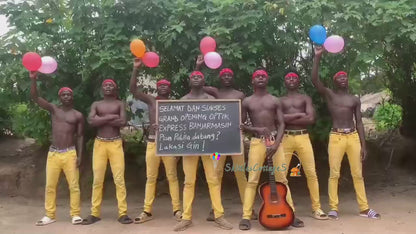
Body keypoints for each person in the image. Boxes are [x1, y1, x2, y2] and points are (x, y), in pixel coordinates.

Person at [311, 46, 381, 220]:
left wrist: (364, 145)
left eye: (345, 77)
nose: (343, 78)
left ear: (348, 81)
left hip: (353, 137)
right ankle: (333, 208)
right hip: (336, 137)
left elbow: (359, 122)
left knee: (358, 174)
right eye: (339, 77)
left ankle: (364, 208)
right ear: (335, 82)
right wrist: (317, 57)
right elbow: (315, 80)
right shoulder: (330, 95)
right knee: (334, 173)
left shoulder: (354, 99)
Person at [239, 69, 304, 230]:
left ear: (267, 80)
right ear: (252, 81)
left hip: (275, 141)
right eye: (257, 76)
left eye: (263, 76)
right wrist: (257, 129)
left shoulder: (274, 100)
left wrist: (276, 144)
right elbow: (242, 125)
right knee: (253, 178)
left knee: (282, 179)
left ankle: (291, 213)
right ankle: (246, 216)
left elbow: (282, 123)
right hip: (257, 143)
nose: (260, 78)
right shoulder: (247, 101)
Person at [195, 55, 255, 221]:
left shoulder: (240, 94)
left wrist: (241, 125)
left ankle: (248, 208)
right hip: (218, 141)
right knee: (216, 172)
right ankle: (215, 208)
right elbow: (197, 85)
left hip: (236, 139)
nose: (227, 78)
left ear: (233, 78)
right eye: (224, 76)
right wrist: (198, 66)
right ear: (220, 78)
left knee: (240, 173)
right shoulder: (215, 92)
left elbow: (242, 115)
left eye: (229, 75)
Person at [173, 71, 233, 231]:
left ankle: (219, 215)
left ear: (204, 80)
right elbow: (179, 125)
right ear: (189, 81)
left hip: (213, 148)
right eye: (193, 77)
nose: (196, 78)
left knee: (213, 179)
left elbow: (221, 122)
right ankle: (186, 218)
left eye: (199, 76)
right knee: (188, 181)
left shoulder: (211, 100)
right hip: (190, 148)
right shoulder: (183, 101)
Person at [129, 58, 182, 223]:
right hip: (152, 143)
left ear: (170, 89)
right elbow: (133, 90)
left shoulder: (174, 105)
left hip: (168, 145)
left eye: (166, 85)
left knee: (172, 177)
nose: (163, 86)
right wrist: (136, 68)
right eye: (161, 85)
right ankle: (147, 211)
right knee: (150, 178)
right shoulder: (152, 101)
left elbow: (181, 127)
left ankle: (177, 210)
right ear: (157, 88)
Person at [30, 71, 84, 226]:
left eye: (69, 94)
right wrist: (33, 78)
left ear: (72, 97)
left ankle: (75, 214)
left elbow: (80, 136)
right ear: (60, 97)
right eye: (64, 95)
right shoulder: (54, 110)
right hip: (53, 153)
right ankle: (50, 214)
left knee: (74, 186)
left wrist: (80, 156)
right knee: (50, 186)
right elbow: (35, 97)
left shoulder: (78, 115)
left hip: (70, 153)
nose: (66, 97)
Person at [82, 79, 133, 225]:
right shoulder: (96, 104)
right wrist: (112, 117)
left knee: (119, 179)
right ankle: (94, 213)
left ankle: (122, 213)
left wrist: (101, 119)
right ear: (102, 89)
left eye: (111, 85)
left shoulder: (119, 104)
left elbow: (122, 122)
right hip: (100, 144)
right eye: (105, 85)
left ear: (115, 88)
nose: (108, 87)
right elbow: (91, 122)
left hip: (115, 143)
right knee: (97, 179)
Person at [279, 72, 328, 220]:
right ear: (285, 82)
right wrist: (299, 115)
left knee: (311, 173)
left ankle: (317, 208)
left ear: (298, 81)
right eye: (288, 78)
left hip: (303, 137)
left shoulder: (305, 98)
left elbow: (311, 118)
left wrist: (288, 118)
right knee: (281, 174)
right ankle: (289, 207)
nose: (291, 80)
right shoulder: (280, 101)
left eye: (294, 78)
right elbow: (279, 119)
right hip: (285, 137)